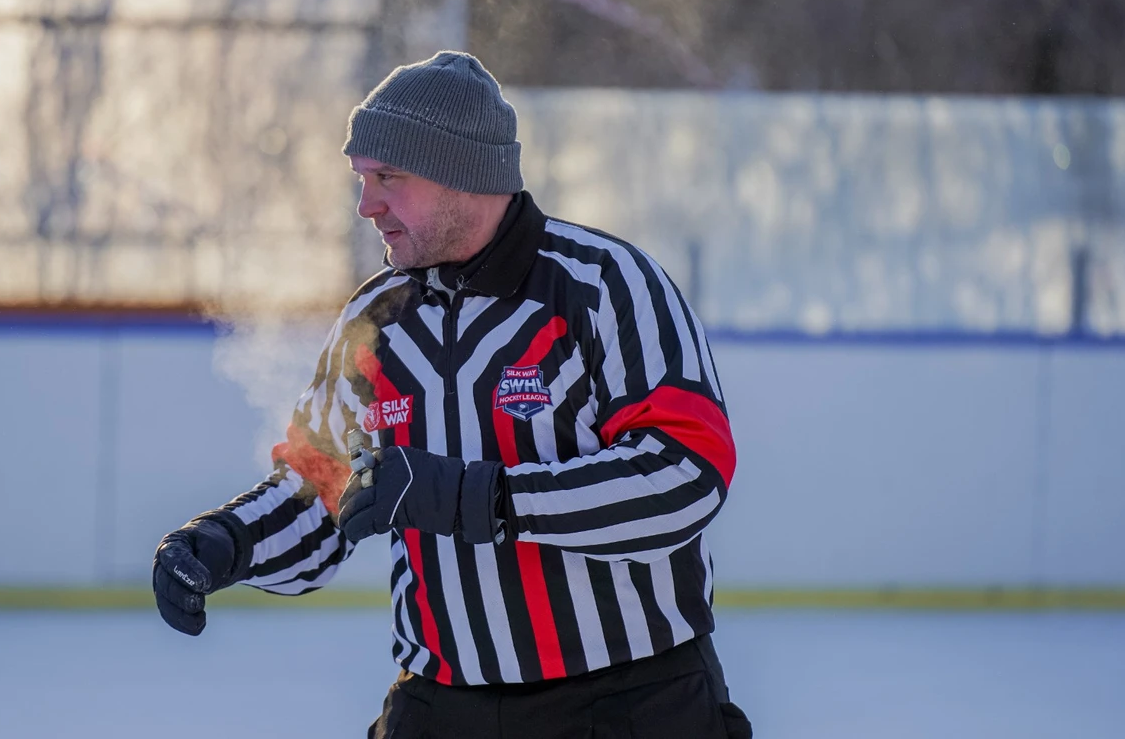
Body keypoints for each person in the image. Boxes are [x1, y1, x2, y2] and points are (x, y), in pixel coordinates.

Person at [152, 51, 752, 739]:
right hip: (441, 709)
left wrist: (474, 498)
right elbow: (324, 492)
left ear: (463, 174)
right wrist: (224, 541)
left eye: (389, 177)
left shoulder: (604, 286)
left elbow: (686, 475)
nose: (366, 204)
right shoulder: (375, 320)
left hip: (629, 706)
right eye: (362, 178)